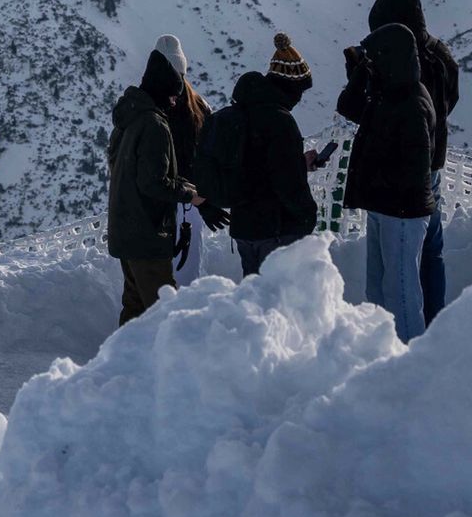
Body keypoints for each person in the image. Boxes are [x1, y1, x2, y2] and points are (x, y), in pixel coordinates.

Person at [367, 0, 461, 324]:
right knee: (431, 254)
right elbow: (450, 101)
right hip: (433, 164)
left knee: (400, 270)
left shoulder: (399, 61)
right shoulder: (441, 54)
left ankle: (406, 339)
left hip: (401, 176)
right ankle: (435, 322)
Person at [337, 23, 436, 342]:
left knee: (402, 294)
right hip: (383, 206)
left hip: (402, 212)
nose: (372, 64)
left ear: (389, 59)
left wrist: (377, 180)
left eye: (375, 58)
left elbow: (414, 167)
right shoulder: (388, 92)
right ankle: (381, 351)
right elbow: (348, 107)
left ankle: (409, 362)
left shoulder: (410, 102)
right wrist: (359, 73)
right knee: (378, 289)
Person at [207, 35, 318, 276]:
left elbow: (255, 166)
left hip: (244, 228)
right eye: (299, 90)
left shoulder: (241, 113)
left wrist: (300, 163)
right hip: (276, 229)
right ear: (289, 86)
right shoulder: (280, 121)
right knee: (276, 303)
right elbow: (285, 180)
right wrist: (308, 215)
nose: (299, 99)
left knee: (254, 302)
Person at [107, 47, 203, 325]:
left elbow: (132, 171)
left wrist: (179, 183)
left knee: (135, 308)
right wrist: (188, 194)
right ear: (163, 92)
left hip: (125, 229)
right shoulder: (154, 125)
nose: (175, 102)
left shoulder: (128, 117)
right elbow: (153, 183)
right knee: (163, 312)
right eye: (173, 95)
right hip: (147, 234)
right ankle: (166, 367)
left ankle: (122, 364)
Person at [153, 35, 226, 281]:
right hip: (194, 200)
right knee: (189, 270)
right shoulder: (200, 106)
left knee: (163, 274)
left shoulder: (152, 109)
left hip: (164, 200)